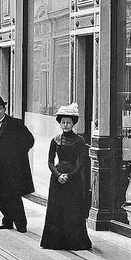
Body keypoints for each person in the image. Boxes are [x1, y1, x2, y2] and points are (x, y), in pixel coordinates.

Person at [41, 103, 92, 251]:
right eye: (63, 122)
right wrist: (57, 175)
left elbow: (81, 163)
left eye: (68, 122)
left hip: (73, 179)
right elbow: (50, 161)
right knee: (57, 209)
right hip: (57, 179)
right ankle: (55, 242)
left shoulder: (79, 141)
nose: (66, 125)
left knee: (73, 209)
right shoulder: (55, 140)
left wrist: (69, 176)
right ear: (60, 123)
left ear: (73, 123)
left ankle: (74, 241)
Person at [0, 95, 34, 233]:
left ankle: (21, 223)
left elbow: (29, 140)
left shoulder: (15, 124)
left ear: (4, 109)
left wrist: (17, 155)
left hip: (12, 168)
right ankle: (7, 220)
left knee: (13, 196)